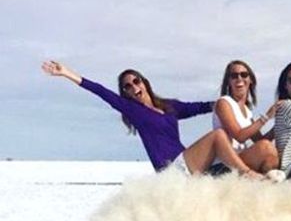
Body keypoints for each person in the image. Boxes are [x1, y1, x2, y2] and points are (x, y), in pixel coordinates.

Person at [41, 60, 263, 178]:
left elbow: (196, 107)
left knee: (224, 150)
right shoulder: (133, 111)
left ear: (144, 82)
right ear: (125, 92)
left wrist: (226, 103)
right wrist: (67, 73)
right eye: (127, 86)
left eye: (136, 81)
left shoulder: (168, 107)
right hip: (171, 171)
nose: (133, 87)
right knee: (218, 137)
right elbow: (100, 91)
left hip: (186, 163)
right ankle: (248, 174)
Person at [212, 60, 278, 173]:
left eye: (244, 74)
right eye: (234, 76)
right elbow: (239, 136)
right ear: (228, 81)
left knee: (274, 153)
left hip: (241, 160)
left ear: (250, 80)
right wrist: (267, 116)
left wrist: (280, 126)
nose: (239, 78)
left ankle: (268, 184)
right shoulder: (223, 103)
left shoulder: (247, 112)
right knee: (266, 148)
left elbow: (260, 141)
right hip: (224, 164)